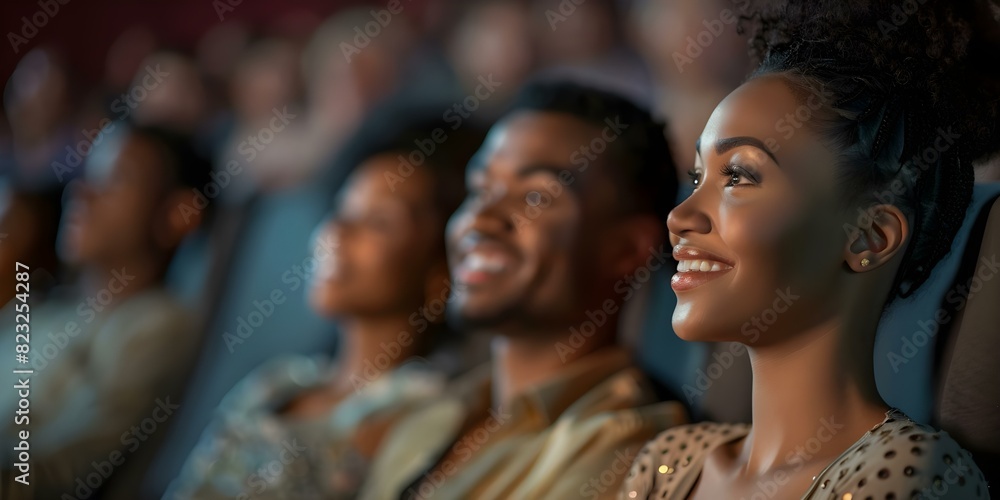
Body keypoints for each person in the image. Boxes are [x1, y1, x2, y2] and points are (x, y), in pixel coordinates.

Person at [620, 1, 999, 498]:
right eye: (697, 177)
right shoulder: (670, 461)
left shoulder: (906, 473)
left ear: (869, 237)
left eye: (738, 175)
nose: (680, 216)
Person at [359, 80, 688, 500]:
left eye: (535, 196)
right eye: (480, 189)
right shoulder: (435, 413)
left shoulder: (630, 446)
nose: (480, 220)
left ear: (626, 249)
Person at [165, 106, 486, 499]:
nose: (338, 231)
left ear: (441, 274)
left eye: (378, 221)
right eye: (341, 209)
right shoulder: (277, 383)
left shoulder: (426, 415)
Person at [0, 123, 210, 499]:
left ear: (178, 215)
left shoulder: (156, 326)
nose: (81, 192)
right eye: (87, 175)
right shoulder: (39, 310)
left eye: (115, 180)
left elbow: (64, 467)